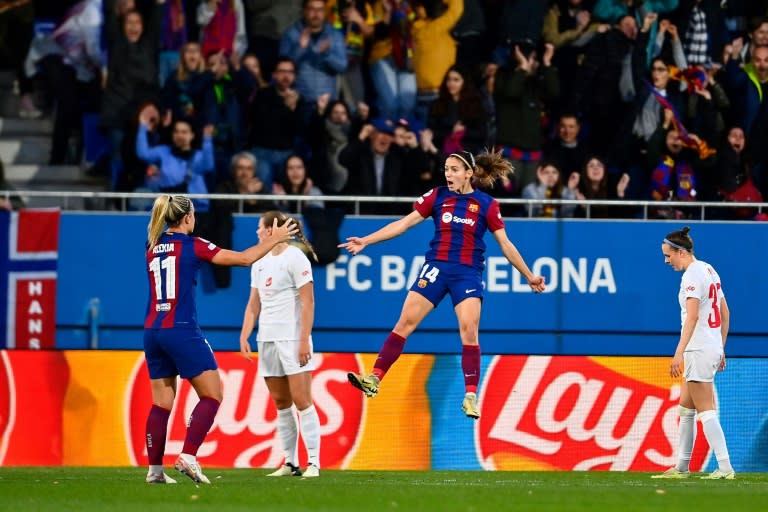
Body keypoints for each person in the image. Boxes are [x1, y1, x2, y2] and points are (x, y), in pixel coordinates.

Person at [341, 150, 546, 419]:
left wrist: (529, 275)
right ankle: (374, 378)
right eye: (446, 169)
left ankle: (471, 396)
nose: (448, 174)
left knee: (469, 330)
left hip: (467, 274)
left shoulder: (487, 204)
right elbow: (403, 224)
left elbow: (505, 244)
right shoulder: (437, 196)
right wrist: (366, 240)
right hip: (436, 268)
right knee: (405, 323)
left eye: (454, 169)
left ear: (468, 173)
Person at [143, 194, 297, 484]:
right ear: (188, 217)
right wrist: (274, 240)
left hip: (152, 330)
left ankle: (155, 471)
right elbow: (244, 259)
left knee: (161, 403)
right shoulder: (193, 245)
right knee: (212, 395)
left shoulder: (152, 246)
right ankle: (188, 456)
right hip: (181, 328)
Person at [239, 211, 322, 478]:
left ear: (273, 229)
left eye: (260, 227)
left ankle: (314, 463)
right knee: (281, 402)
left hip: (292, 338)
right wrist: (245, 334)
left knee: (302, 400)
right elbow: (254, 303)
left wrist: (303, 340)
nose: (257, 232)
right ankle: (290, 462)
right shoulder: (259, 261)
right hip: (267, 339)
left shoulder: (296, 258)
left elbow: (308, 302)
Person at [653, 226, 735, 480]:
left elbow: (692, 317)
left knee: (706, 411)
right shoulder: (710, 269)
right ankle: (682, 467)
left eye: (668, 256)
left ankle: (724, 467)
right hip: (708, 346)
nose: (666, 261)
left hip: (697, 348)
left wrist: (678, 353)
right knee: (686, 410)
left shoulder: (691, 275)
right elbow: (725, 313)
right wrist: (720, 347)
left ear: (680, 252)